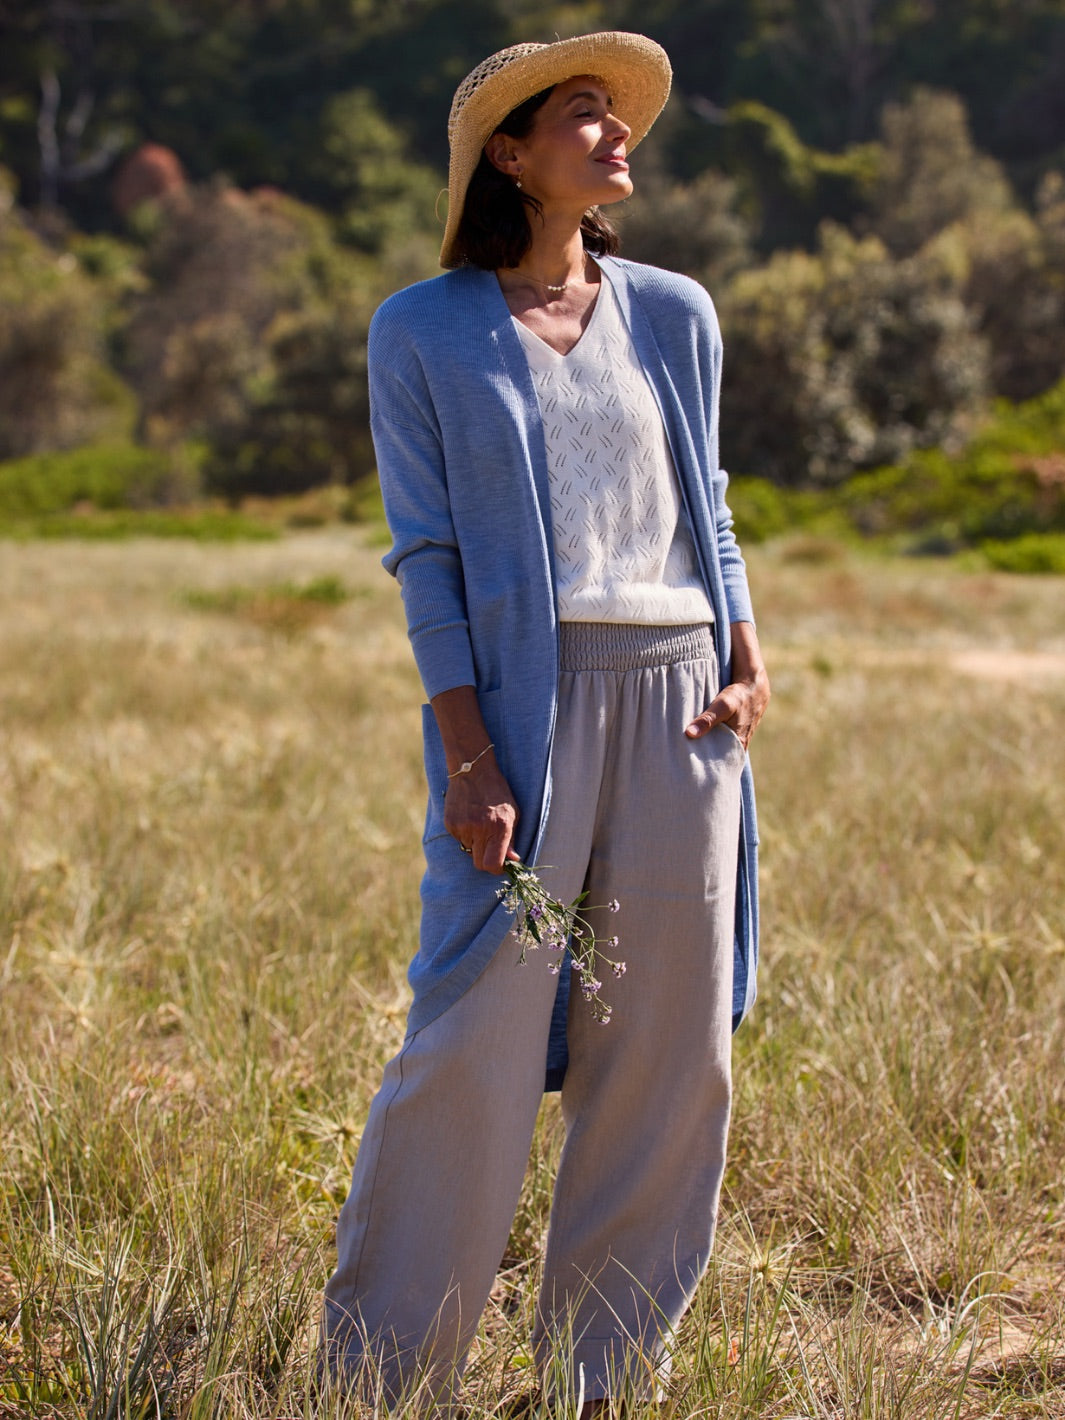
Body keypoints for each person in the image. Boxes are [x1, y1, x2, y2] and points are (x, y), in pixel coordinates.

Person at [321, 31, 770, 1413]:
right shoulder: (424, 329)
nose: (615, 133)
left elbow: (711, 507)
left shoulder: (676, 312)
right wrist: (469, 749)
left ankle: (606, 1380)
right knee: (473, 1035)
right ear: (510, 155)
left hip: (681, 707)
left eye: (617, 116)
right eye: (582, 116)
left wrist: (748, 658)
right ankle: (385, 1376)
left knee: (667, 1048)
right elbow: (429, 557)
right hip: (524, 714)